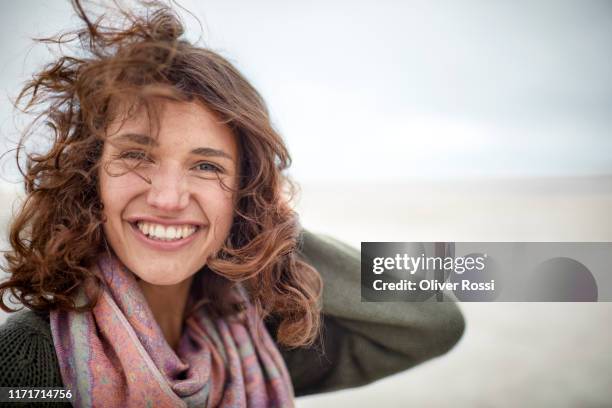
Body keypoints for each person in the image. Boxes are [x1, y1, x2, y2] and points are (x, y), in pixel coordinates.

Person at [0, 1, 464, 406]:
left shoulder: (258, 343)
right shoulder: (29, 360)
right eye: (137, 155)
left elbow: (434, 316)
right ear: (89, 178)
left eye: (206, 166)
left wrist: (269, 231)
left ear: (244, 195)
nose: (167, 198)